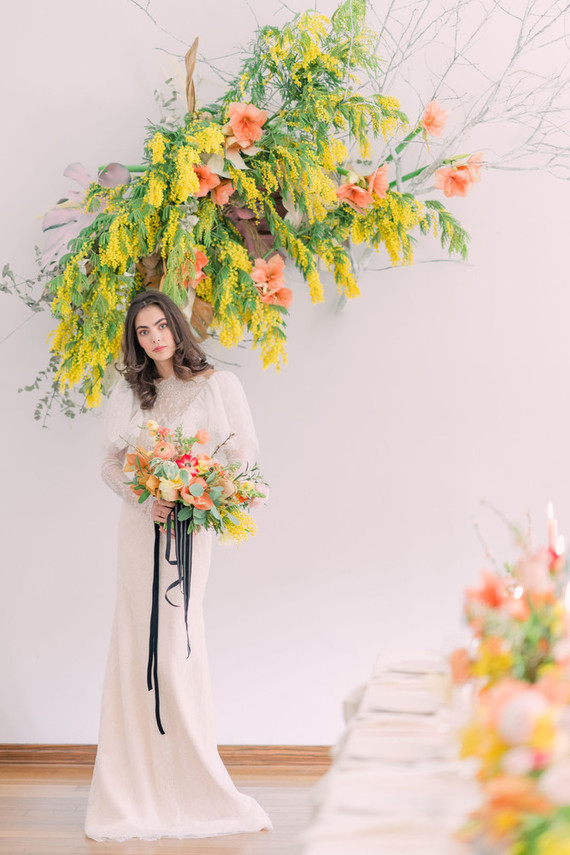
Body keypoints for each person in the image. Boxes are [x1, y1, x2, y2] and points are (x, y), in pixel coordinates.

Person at [85, 290, 272, 840]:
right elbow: (109, 463)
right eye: (142, 332)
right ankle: (133, 788)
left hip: (189, 533)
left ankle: (191, 785)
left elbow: (241, 460)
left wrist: (200, 493)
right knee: (135, 648)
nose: (154, 338)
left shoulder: (220, 386)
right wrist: (146, 498)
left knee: (175, 649)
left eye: (160, 326)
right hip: (139, 531)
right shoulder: (130, 392)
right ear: (135, 340)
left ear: (176, 325)